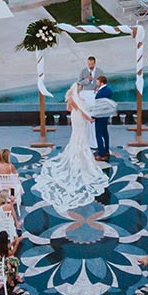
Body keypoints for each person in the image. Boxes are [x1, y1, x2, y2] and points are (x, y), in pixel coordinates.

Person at [32, 82, 111, 211]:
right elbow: (80, 110)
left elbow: (69, 109)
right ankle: (81, 161)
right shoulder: (79, 99)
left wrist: (80, 111)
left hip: (77, 118)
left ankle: (79, 160)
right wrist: (88, 117)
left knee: (78, 137)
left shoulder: (73, 99)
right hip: (80, 118)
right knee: (80, 138)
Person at [91, 75, 115, 161]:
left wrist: (93, 115)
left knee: (98, 134)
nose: (96, 83)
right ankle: (106, 150)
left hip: (100, 115)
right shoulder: (108, 90)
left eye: (97, 82)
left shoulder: (101, 93)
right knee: (105, 133)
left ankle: (101, 154)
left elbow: (98, 105)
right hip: (106, 114)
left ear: (102, 82)